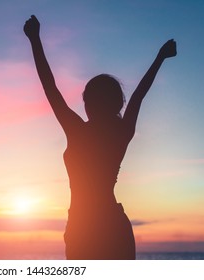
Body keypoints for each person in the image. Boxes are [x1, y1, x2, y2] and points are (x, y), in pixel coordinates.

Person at [24, 15, 176, 259]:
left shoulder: (78, 131)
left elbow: (50, 87)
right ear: (117, 103)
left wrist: (34, 39)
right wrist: (160, 57)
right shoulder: (122, 132)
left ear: (89, 103)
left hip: (84, 228)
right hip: (113, 225)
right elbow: (139, 95)